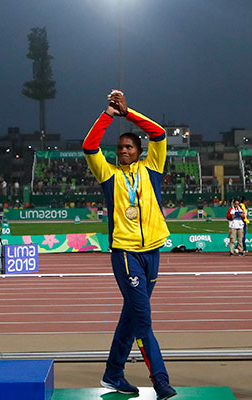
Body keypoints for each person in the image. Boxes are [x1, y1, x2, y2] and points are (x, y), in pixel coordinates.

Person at [83, 90, 176, 400]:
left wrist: (129, 113)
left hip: (153, 251)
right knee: (144, 319)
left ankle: (112, 374)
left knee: (132, 315)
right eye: (119, 147)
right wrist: (108, 115)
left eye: (128, 147)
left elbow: (159, 133)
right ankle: (161, 381)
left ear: (139, 150)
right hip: (125, 253)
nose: (122, 151)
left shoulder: (153, 169)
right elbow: (89, 146)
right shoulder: (108, 174)